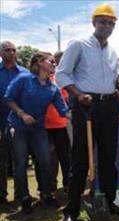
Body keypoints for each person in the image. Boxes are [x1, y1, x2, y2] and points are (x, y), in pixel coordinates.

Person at [56, 4, 119, 221]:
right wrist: (78, 95)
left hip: (109, 107)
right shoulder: (79, 45)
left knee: (108, 157)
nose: (107, 26)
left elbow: (115, 80)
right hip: (86, 105)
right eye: (103, 21)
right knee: (80, 159)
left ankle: (109, 202)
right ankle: (71, 210)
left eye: (111, 23)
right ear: (94, 23)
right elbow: (62, 74)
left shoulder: (112, 51)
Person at [4, 51, 69, 213]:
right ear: (39, 63)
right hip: (19, 127)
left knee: (45, 161)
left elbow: (63, 111)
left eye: (55, 62)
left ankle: (46, 195)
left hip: (38, 129)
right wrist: (22, 114)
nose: (54, 64)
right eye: (51, 61)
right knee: (20, 164)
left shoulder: (53, 88)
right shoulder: (24, 79)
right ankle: (24, 198)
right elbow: (8, 98)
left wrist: (82, 116)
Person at [0, 41, 29, 204]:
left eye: (13, 50)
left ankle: (21, 194)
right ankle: (1, 195)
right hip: (1, 122)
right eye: (7, 50)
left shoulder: (25, 73)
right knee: (1, 161)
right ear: (0, 53)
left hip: (20, 124)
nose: (11, 53)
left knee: (20, 160)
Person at [44, 51, 71, 193]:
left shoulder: (59, 79)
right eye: (51, 61)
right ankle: (50, 189)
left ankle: (68, 185)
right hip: (44, 127)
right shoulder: (33, 80)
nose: (54, 64)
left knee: (65, 157)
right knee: (49, 160)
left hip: (61, 125)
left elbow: (66, 99)